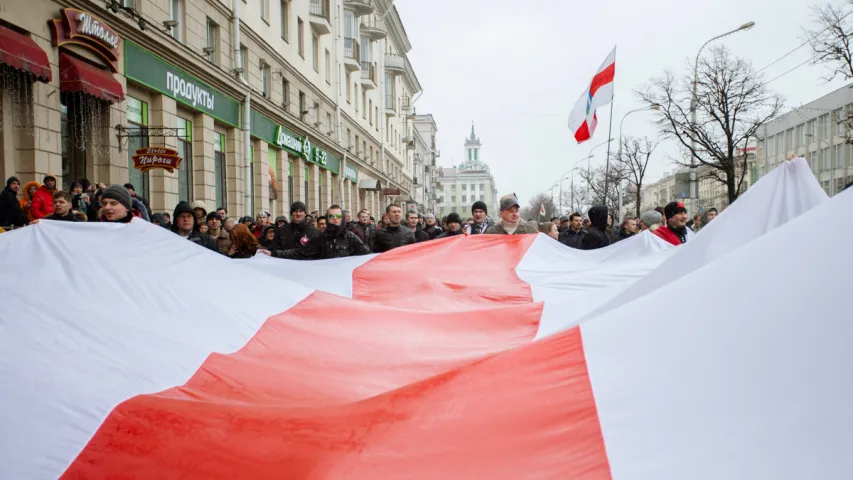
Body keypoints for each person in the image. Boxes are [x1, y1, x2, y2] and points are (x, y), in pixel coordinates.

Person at [270, 205, 370, 260]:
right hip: (324, 280)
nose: (335, 219)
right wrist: (273, 253)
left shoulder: (350, 237)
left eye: (338, 216)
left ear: (342, 218)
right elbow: (300, 252)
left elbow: (367, 255)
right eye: (331, 216)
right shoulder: (320, 237)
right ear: (327, 218)